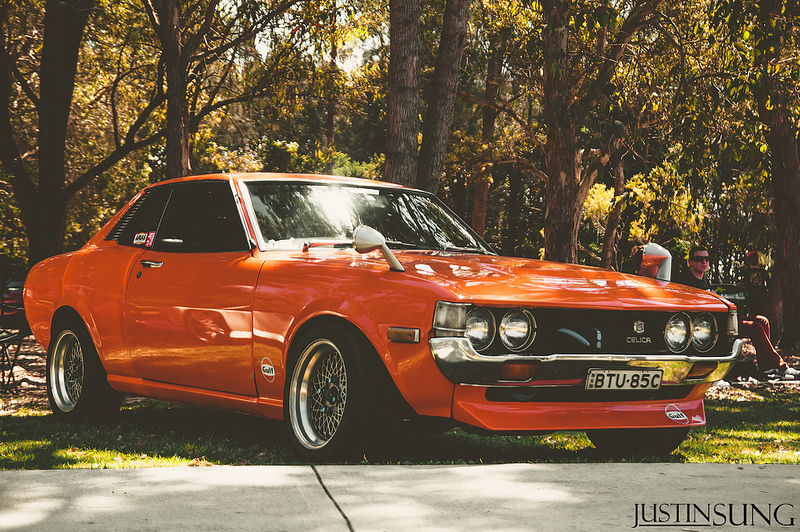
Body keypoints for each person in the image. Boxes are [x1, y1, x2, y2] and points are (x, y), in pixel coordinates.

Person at [672, 244, 798, 380]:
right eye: (699, 259)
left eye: (706, 259)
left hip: (722, 319)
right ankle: (781, 366)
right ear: (690, 262)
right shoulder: (686, 282)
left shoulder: (703, 280)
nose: (704, 262)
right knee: (755, 328)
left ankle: (766, 366)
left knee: (762, 320)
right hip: (710, 327)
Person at [740, 251, 770, 316]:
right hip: (761, 299)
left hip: (751, 299)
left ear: (749, 262)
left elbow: (745, 286)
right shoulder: (763, 272)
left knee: (752, 315)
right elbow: (769, 285)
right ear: (757, 261)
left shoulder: (747, 272)